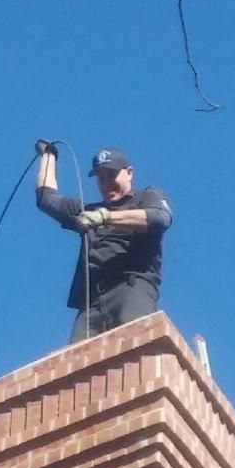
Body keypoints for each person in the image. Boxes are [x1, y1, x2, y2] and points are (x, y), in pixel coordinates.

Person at [34, 142, 172, 342]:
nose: (106, 183)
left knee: (135, 344)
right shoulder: (88, 210)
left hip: (131, 288)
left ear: (129, 172)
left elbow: (159, 218)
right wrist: (49, 156)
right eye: (101, 178)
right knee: (78, 362)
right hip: (92, 302)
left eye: (112, 176)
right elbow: (47, 199)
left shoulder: (147, 196)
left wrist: (105, 217)